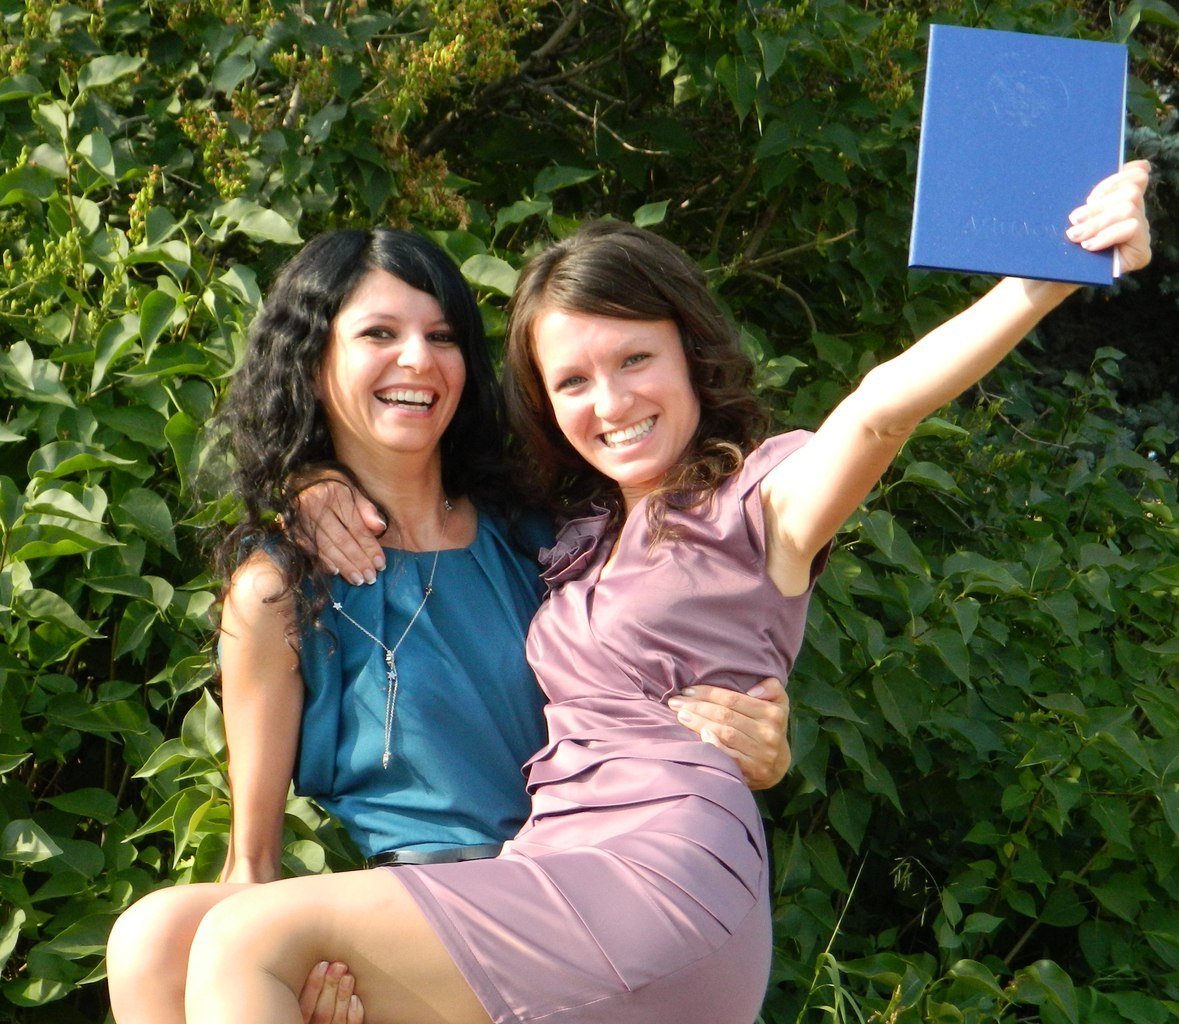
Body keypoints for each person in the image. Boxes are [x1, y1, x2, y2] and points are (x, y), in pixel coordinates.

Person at [168, 162, 1153, 1024]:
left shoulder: (757, 502)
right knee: (157, 942)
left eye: (635, 359)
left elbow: (875, 416)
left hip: (658, 873)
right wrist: (306, 480)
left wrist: (1041, 279)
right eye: (573, 383)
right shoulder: (571, 533)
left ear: (689, 352)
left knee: (249, 943)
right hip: (549, 868)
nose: (612, 402)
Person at [104, 227, 792, 1024]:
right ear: (313, 361)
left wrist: (761, 741)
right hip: (411, 906)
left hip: (584, 887)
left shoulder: (547, 536)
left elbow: (683, 649)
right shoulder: (277, 590)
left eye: (441, 337)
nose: (417, 360)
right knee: (152, 939)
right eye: (378, 334)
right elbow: (250, 867)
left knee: (249, 940)